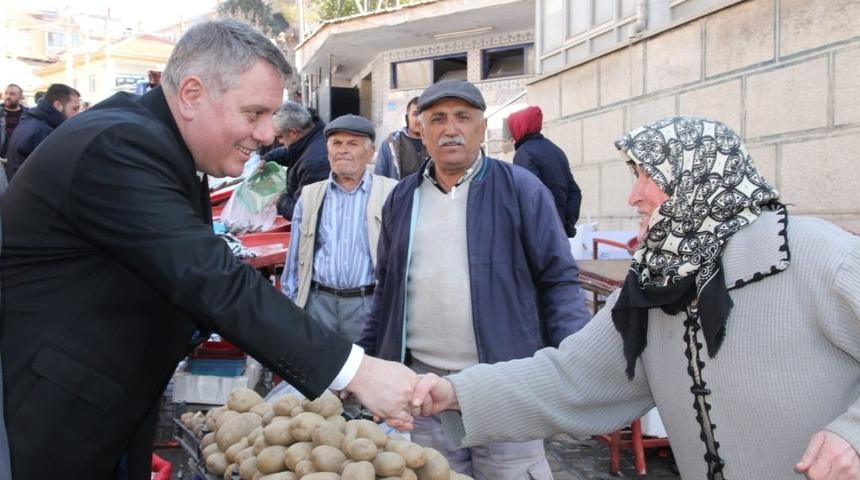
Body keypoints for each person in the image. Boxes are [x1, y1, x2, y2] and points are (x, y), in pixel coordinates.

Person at [0, 20, 417, 480]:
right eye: (253, 114)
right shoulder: (117, 144)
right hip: (52, 420)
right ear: (192, 95)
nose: (266, 134)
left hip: (100, 406)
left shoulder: (162, 145)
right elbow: (209, 276)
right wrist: (355, 370)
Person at [411, 116, 860, 480]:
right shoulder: (653, 284)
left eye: (651, 177)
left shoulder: (815, 254)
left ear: (702, 178)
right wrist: (453, 393)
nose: (634, 196)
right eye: (636, 176)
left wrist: (853, 435)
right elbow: (571, 377)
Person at [359, 80, 592, 480]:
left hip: (505, 381)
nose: (451, 129)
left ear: (482, 128)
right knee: (436, 473)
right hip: (424, 386)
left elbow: (559, 281)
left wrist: (578, 359)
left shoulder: (521, 189)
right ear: (421, 131)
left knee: (511, 471)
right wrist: (365, 360)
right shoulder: (401, 198)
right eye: (438, 119)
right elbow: (387, 290)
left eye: (463, 117)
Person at [280, 114, 397, 342]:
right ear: (328, 150)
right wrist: (293, 306)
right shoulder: (310, 195)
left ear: (370, 152)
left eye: (352, 144)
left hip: (368, 304)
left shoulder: (391, 192)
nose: (343, 150)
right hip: (318, 304)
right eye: (336, 143)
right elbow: (294, 258)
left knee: (365, 362)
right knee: (317, 362)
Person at [507, 105, 582, 237]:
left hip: (541, 232)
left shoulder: (524, 153)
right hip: (558, 229)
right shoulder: (555, 150)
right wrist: (567, 222)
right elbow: (574, 191)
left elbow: (530, 196)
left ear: (519, 127)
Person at [263, 101, 331, 220]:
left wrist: (280, 201)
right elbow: (294, 151)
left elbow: (307, 215)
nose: (280, 142)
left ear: (293, 132)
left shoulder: (315, 164)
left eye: (280, 136)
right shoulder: (314, 134)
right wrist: (268, 158)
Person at [4, 83, 80, 181]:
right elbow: (53, 174)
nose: (78, 114)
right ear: (58, 105)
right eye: (75, 109)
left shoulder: (31, 121)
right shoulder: (45, 131)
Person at [375, 96, 427, 179]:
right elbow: (379, 177)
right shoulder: (390, 144)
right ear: (407, 117)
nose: (419, 119)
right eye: (415, 114)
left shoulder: (435, 143)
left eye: (423, 114)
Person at [0, 84, 27, 159]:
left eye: (12, 94)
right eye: (6, 93)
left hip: (19, 158)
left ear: (20, 97)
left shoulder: (28, 116)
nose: (8, 96)